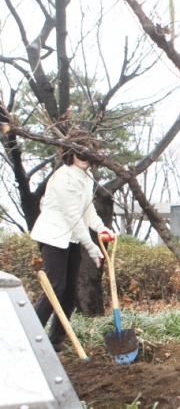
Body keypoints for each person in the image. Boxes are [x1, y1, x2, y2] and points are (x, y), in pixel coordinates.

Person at [30, 130, 114, 352]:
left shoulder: (87, 177)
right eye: (79, 151)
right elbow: (73, 216)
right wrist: (91, 247)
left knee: (69, 293)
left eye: (88, 152)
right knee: (55, 287)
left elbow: (88, 212)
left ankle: (55, 340)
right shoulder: (64, 176)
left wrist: (101, 228)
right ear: (69, 152)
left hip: (72, 239)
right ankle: (29, 336)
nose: (84, 156)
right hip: (54, 237)